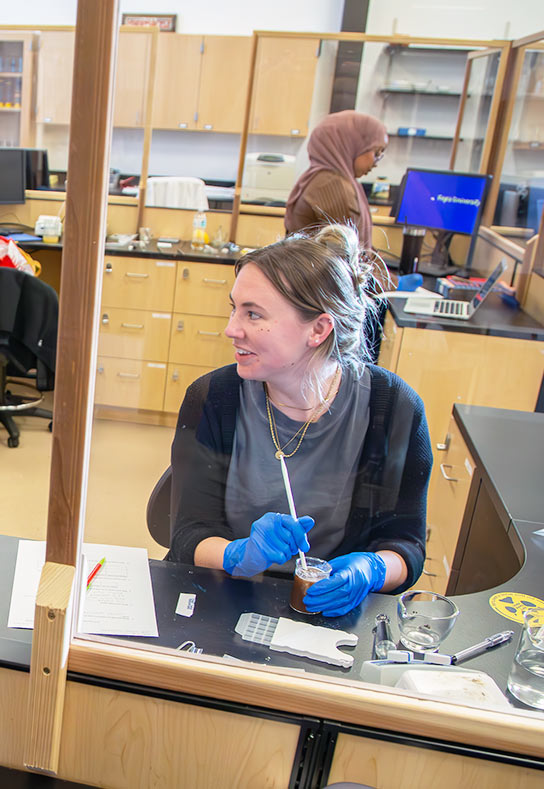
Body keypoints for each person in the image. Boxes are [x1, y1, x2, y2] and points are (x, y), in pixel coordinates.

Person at [167, 224, 431, 617]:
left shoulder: (393, 408)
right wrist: (239, 554)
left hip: (327, 613)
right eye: (234, 307)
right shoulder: (213, 398)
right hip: (223, 599)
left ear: (320, 329)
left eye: (253, 314)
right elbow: (188, 535)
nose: (231, 329)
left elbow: (405, 545)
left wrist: (372, 569)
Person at [284, 111, 389, 251]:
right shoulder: (332, 184)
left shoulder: (322, 178)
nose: (376, 163)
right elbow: (347, 254)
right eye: (376, 153)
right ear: (351, 145)